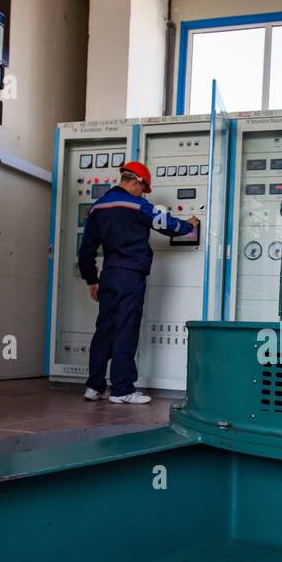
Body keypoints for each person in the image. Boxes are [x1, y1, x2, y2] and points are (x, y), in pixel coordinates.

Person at [77, 161, 199, 404]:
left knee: (104, 330)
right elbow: (168, 225)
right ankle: (122, 390)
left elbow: (86, 250)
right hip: (130, 275)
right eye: (143, 189)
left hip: (108, 275)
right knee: (126, 329)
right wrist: (190, 225)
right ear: (136, 181)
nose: (143, 194)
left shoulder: (97, 208)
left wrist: (92, 280)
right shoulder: (137, 205)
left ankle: (94, 387)